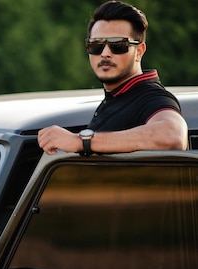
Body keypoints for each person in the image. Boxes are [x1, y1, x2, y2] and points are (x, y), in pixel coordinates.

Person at [38, 1, 188, 155]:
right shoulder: (115, 98)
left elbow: (173, 135)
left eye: (118, 44)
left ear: (139, 51)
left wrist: (81, 141)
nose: (105, 53)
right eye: (96, 44)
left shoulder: (151, 98)